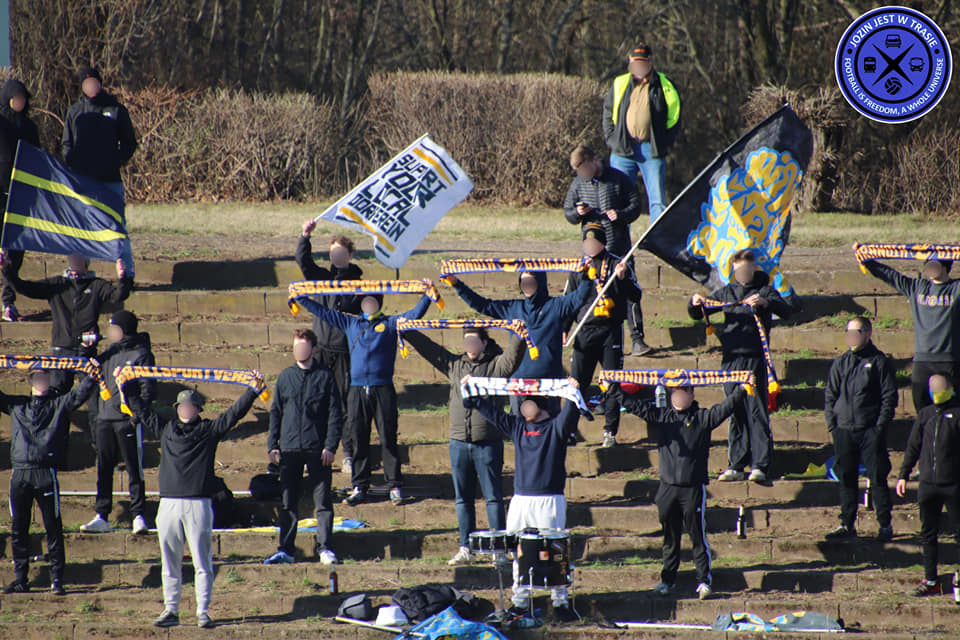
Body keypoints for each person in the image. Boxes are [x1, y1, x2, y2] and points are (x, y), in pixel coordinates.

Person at [122, 372, 263, 628]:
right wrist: (126, 381)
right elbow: (140, 408)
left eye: (190, 406)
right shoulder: (165, 428)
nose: (186, 410)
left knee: (202, 561)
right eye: (182, 406)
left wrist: (252, 391)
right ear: (177, 409)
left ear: (197, 409)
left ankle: (202, 611)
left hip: (198, 504)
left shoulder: (209, 430)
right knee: (170, 561)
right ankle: (171, 609)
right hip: (169, 504)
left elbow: (233, 415)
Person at [610, 373, 755, 600]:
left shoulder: (703, 418)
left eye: (682, 393)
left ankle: (703, 580)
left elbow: (726, 408)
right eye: (674, 393)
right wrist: (613, 389)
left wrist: (743, 389)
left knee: (697, 536)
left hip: (692, 488)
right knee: (670, 537)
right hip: (667, 489)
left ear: (691, 395)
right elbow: (636, 407)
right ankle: (667, 580)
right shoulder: (663, 416)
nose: (678, 397)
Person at [294, 281, 434, 506]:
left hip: (383, 388)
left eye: (373, 300)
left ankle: (394, 485)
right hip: (357, 389)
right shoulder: (350, 322)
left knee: (388, 437)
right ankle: (359, 485)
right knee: (358, 436)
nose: (369, 304)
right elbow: (323, 312)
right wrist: (300, 298)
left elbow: (414, 314)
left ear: (379, 303)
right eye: (366, 300)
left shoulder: (390, 323)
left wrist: (428, 295)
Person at [461, 375, 587, 623]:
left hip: (549, 499)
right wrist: (471, 394)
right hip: (521, 499)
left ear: (540, 406)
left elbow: (570, 413)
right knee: (518, 549)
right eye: (522, 405)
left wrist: (572, 393)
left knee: (555, 550)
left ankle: (560, 600)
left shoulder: (556, 428)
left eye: (528, 404)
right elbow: (493, 414)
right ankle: (520, 600)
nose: (524, 408)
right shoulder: (518, 426)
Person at [402, 327, 524, 565]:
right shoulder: (455, 365)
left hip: (487, 443)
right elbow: (431, 350)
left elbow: (514, 356)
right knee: (463, 499)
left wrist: (520, 331)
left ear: (485, 343)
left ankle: (497, 549)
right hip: (458, 442)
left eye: (473, 341)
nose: (469, 345)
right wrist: (408, 331)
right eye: (466, 340)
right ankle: (465, 546)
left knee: (493, 498)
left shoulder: (497, 366)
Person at [688, 249, 793, 483]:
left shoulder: (764, 289)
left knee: (756, 411)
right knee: (734, 411)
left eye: (747, 269)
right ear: (734, 271)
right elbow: (700, 311)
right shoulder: (727, 292)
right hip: (731, 361)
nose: (743, 274)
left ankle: (760, 465)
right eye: (739, 271)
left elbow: (785, 310)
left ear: (754, 268)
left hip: (754, 360)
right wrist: (694, 303)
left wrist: (765, 302)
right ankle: (736, 464)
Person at [446, 268, 592, 418]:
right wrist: (456, 284)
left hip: (549, 383)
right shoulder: (513, 308)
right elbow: (482, 305)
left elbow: (580, 296)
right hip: (518, 384)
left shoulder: (557, 306)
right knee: (519, 432)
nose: (527, 286)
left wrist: (587, 274)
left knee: (548, 431)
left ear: (540, 283)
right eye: (523, 283)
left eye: (530, 282)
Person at [2, 368, 98, 595]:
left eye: (45, 378)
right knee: (19, 528)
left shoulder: (57, 405)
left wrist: (92, 375)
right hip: (21, 473)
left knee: (53, 527)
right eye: (37, 378)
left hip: (45, 473)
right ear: (30, 381)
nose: (42, 382)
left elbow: (77, 396)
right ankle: (21, 579)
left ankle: (57, 579)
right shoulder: (17, 405)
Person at [0, 250, 132, 395]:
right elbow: (24, 287)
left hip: (86, 349)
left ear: (85, 262)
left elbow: (119, 295)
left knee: (93, 393)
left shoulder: (96, 285)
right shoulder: (57, 284)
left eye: (77, 258)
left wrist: (122, 276)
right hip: (61, 349)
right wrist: (6, 268)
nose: (74, 261)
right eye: (71, 258)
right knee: (57, 394)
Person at [265, 329, 343, 566]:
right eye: (295, 347)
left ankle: (325, 547)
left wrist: (330, 446)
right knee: (288, 501)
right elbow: (276, 412)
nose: (298, 351)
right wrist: (273, 444)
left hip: (317, 449)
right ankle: (286, 549)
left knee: (323, 502)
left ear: (313, 349)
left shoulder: (326, 377)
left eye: (302, 347)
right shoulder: (285, 377)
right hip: (289, 449)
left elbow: (335, 415)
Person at [563, 144, 649, 356]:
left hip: (618, 247)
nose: (583, 174)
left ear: (594, 161)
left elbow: (636, 205)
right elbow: (568, 213)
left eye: (585, 169)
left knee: (629, 292)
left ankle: (638, 340)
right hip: (591, 250)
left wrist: (620, 215)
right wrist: (578, 212)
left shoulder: (618, 178)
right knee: (576, 290)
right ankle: (565, 332)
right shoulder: (578, 184)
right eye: (579, 172)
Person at [856, 243, 960, 413]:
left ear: (945, 266)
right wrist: (866, 259)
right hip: (922, 361)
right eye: (928, 265)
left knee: (952, 410)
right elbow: (890, 276)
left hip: (949, 361)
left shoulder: (956, 289)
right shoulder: (917, 287)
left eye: (934, 265)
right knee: (922, 409)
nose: (930, 269)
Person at [564, 222, 642, 447]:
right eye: (586, 242)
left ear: (602, 243)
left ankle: (610, 431)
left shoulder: (619, 264)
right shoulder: (578, 267)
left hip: (610, 331)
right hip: (584, 331)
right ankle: (570, 430)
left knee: (611, 382)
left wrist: (624, 278)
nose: (589, 246)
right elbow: (568, 301)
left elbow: (636, 296)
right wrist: (564, 328)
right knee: (576, 383)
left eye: (594, 242)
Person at [295, 220, 363, 477]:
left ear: (350, 255)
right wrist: (305, 236)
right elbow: (304, 262)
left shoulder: (359, 282)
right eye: (333, 254)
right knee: (314, 403)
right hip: (320, 350)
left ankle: (348, 454)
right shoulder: (321, 277)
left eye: (341, 254)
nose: (336, 258)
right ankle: (312, 453)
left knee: (345, 406)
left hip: (346, 353)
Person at [80, 310, 155, 535]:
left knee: (134, 468)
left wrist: (135, 417)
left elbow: (148, 389)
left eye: (114, 328)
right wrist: (86, 350)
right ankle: (102, 515)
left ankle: (138, 514)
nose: (109, 332)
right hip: (104, 420)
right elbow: (88, 371)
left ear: (124, 330)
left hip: (126, 421)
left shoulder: (142, 353)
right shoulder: (108, 352)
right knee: (103, 468)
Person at [823, 317, 898, 541]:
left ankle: (884, 524)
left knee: (877, 478)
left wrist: (879, 427)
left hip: (869, 431)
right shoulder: (840, 362)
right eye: (848, 332)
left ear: (867, 333)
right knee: (846, 478)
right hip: (844, 431)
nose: (851, 337)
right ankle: (846, 524)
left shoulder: (879, 362)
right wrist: (833, 426)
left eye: (856, 332)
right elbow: (830, 396)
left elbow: (889, 397)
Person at [61, 66, 138, 277]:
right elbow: (66, 145)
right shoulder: (75, 112)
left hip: (110, 180)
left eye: (94, 82)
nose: (91, 86)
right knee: (80, 227)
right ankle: (80, 270)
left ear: (100, 83)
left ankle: (126, 272)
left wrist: (115, 161)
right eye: (86, 84)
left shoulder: (116, 110)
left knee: (117, 226)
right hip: (83, 182)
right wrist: (73, 167)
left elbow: (130, 143)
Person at [602, 43, 681, 224]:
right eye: (635, 62)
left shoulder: (665, 84)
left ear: (651, 62)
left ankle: (657, 244)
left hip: (650, 150)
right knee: (620, 201)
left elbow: (675, 117)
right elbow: (608, 113)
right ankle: (621, 248)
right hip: (623, 149)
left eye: (643, 62)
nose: (638, 66)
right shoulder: (620, 83)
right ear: (630, 61)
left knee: (657, 201)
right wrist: (612, 140)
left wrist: (663, 141)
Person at [896, 374, 960, 597]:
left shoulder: (957, 414)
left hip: (953, 484)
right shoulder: (925, 415)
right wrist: (903, 474)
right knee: (928, 534)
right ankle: (931, 578)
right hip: (928, 485)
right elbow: (913, 446)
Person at [0, 78, 40, 322]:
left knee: (15, 251)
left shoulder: (30, 127)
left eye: (23, 99)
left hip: (22, 193)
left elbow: (37, 157)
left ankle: (8, 301)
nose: (19, 102)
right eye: (15, 98)